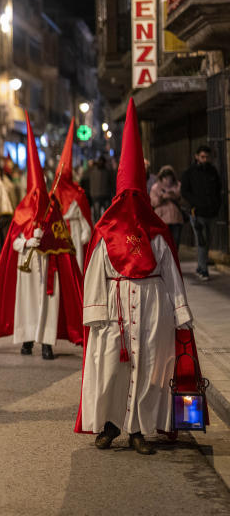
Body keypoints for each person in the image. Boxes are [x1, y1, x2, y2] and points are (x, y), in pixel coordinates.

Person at [76, 99, 198, 455]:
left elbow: (171, 273)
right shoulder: (105, 231)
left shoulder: (156, 232)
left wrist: (180, 313)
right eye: (125, 195)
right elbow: (96, 272)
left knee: (150, 368)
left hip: (152, 306)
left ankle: (139, 429)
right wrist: (96, 313)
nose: (130, 202)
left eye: (135, 195)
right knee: (111, 368)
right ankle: (110, 425)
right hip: (114, 309)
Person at [0, 113, 83, 360]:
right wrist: (27, 241)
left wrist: (46, 239)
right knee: (26, 304)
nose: (37, 198)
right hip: (26, 268)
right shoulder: (22, 212)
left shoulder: (53, 212)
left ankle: (46, 343)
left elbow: (62, 240)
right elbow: (12, 242)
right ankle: (26, 339)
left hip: (49, 267)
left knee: (49, 305)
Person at [50, 121, 93, 272]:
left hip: (74, 237)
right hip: (58, 238)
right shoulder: (52, 196)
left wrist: (83, 237)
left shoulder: (78, 196)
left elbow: (85, 223)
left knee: (75, 269)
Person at [181, 145, 221, 281]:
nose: (205, 159)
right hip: (197, 213)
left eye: (207, 157)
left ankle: (200, 266)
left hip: (211, 212)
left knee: (207, 241)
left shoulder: (212, 171)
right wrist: (195, 203)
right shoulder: (190, 172)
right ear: (197, 156)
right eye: (203, 157)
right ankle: (204, 269)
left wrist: (216, 205)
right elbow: (184, 191)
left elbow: (218, 190)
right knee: (202, 241)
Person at [150, 165, 184, 248]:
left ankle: (174, 259)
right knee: (163, 244)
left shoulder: (178, 186)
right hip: (161, 218)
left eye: (170, 178)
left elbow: (183, 200)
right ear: (161, 178)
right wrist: (162, 197)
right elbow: (153, 202)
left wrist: (174, 196)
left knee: (175, 243)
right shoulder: (155, 188)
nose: (168, 180)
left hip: (176, 218)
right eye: (166, 178)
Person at [87, 156, 114, 221]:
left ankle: (97, 228)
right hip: (105, 195)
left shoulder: (92, 170)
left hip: (97, 196)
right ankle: (104, 228)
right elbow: (112, 183)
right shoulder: (108, 171)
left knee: (97, 215)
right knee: (106, 215)